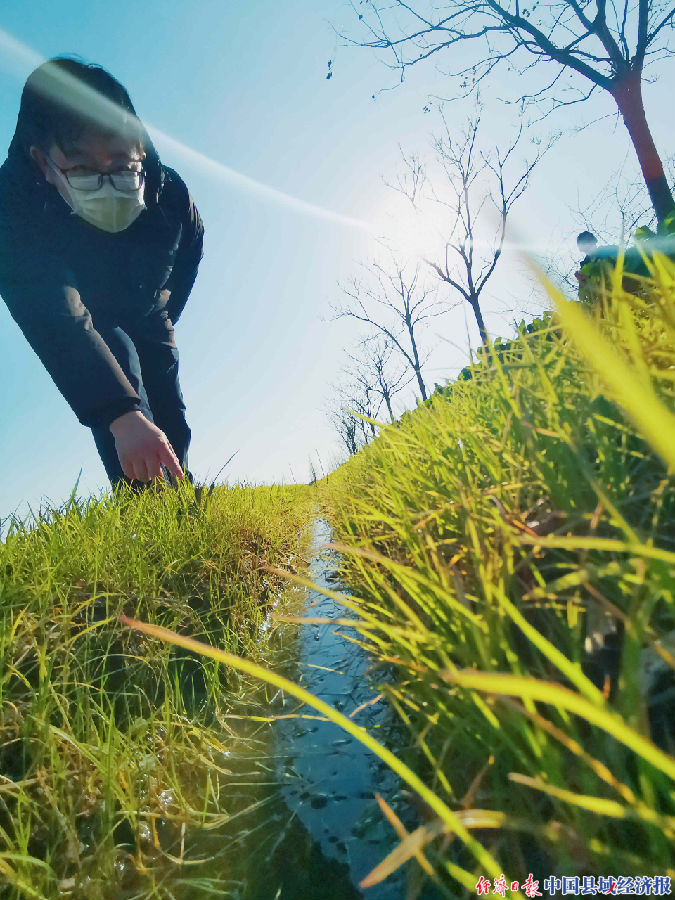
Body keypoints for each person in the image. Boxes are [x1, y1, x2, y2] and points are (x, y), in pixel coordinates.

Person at [0, 57, 204, 495]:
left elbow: (188, 254)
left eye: (122, 165)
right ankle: (144, 508)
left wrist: (163, 310)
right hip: (87, 308)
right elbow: (49, 308)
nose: (109, 182)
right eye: (84, 170)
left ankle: (183, 502)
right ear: (42, 162)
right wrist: (119, 412)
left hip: (147, 301)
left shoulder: (169, 193)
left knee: (169, 408)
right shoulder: (13, 208)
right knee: (127, 403)